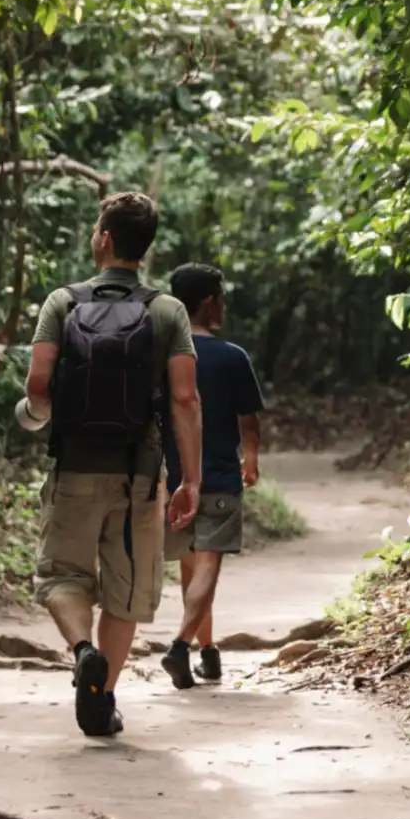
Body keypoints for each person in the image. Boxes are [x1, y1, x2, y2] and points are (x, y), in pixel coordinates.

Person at [16, 192, 201, 736]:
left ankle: (80, 650)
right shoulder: (167, 310)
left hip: (74, 468)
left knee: (60, 576)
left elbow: (38, 387)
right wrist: (190, 479)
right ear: (145, 249)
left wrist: (42, 413)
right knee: (125, 593)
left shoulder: (62, 304)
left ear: (103, 239)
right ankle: (103, 696)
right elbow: (186, 400)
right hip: (140, 478)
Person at [159, 263, 265, 689]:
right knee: (208, 566)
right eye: (220, 297)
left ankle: (208, 653)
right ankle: (182, 646)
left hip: (174, 479)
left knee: (191, 568)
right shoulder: (232, 356)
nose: (223, 304)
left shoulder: (165, 357)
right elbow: (249, 421)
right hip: (219, 477)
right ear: (208, 301)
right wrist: (251, 459)